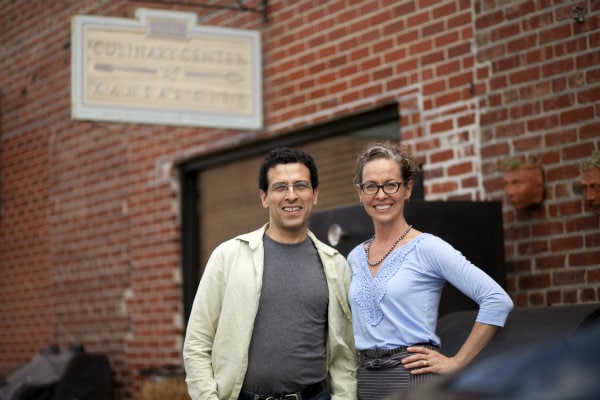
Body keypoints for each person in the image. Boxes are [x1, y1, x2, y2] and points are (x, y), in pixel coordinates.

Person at [183, 147, 358, 400]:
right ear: (264, 197)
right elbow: (197, 344)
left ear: (314, 194)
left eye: (300, 186)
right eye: (280, 187)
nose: (291, 196)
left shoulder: (336, 265)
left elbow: (346, 353)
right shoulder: (228, 256)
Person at [347, 142, 513, 400]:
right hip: (366, 381)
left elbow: (496, 299)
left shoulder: (428, 247)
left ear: (408, 188)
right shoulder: (355, 257)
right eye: (371, 186)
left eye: (391, 184)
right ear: (360, 192)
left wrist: (457, 362)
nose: (381, 195)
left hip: (413, 378)